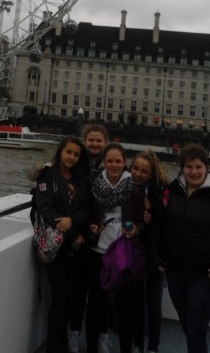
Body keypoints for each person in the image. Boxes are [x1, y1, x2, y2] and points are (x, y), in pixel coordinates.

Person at [149, 144, 210, 353]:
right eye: (189, 167)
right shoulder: (170, 193)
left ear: (206, 167)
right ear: (182, 168)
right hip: (175, 272)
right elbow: (157, 228)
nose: (194, 171)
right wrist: (157, 258)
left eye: (198, 167)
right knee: (187, 325)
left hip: (205, 275)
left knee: (195, 331)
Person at [32, 135, 91, 353]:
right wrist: (74, 233)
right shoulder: (47, 175)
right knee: (60, 297)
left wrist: (73, 222)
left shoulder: (80, 178)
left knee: (69, 296)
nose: (72, 157)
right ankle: (53, 347)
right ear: (60, 152)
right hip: (55, 246)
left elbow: (86, 210)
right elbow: (46, 209)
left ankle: (63, 342)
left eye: (76, 154)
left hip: (74, 248)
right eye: (69, 152)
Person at [86, 143, 143, 353]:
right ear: (104, 162)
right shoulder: (94, 185)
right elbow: (86, 213)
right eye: (109, 160)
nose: (113, 165)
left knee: (124, 308)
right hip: (98, 252)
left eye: (118, 161)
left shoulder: (134, 189)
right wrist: (91, 226)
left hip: (122, 253)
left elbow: (142, 220)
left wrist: (136, 229)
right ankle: (92, 348)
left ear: (124, 162)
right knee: (95, 305)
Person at [68, 124, 109, 353]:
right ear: (85, 141)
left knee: (101, 292)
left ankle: (102, 336)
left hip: (102, 239)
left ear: (105, 142)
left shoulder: (112, 165)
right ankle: (74, 334)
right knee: (77, 289)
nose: (94, 144)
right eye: (91, 140)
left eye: (98, 140)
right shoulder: (76, 164)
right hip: (79, 236)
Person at [129, 151, 169, 353]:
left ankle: (153, 346)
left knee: (153, 302)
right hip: (134, 251)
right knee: (136, 302)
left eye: (144, 171)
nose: (138, 173)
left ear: (151, 174)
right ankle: (137, 344)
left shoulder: (161, 193)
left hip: (155, 254)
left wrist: (149, 215)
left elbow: (162, 225)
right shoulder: (126, 187)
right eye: (135, 168)